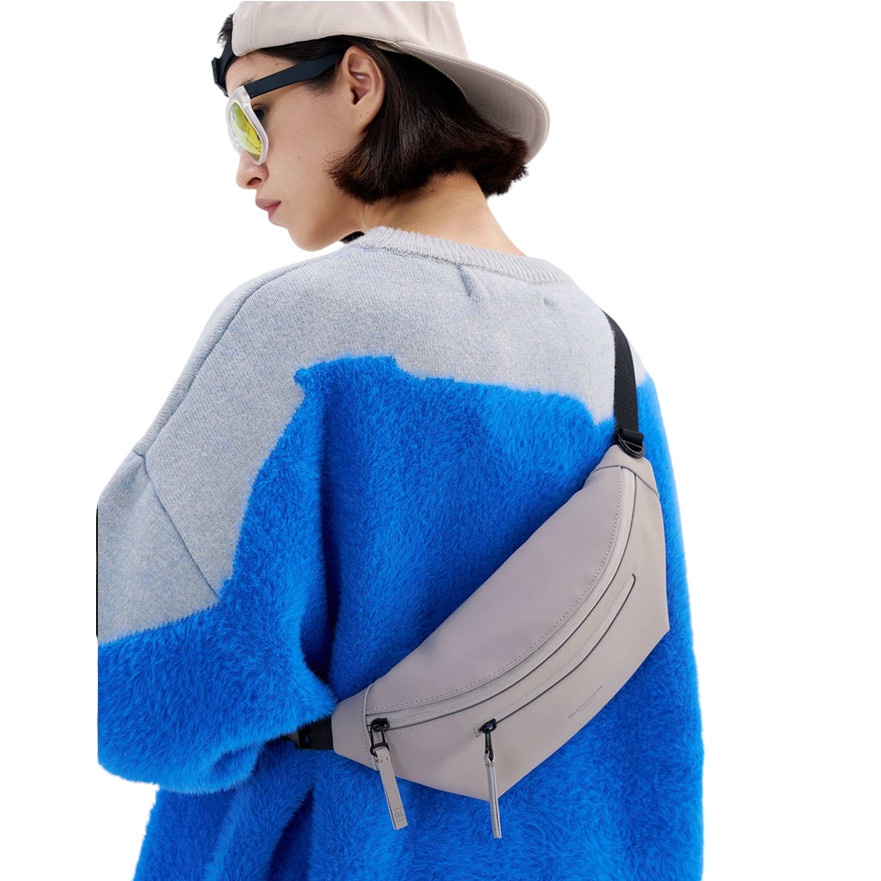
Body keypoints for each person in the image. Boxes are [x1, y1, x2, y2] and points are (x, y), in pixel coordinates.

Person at [97, 2, 703, 878]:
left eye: (249, 114)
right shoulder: (609, 356)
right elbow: (654, 718)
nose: (243, 165)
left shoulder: (295, 333)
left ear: (357, 83)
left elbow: (144, 696)